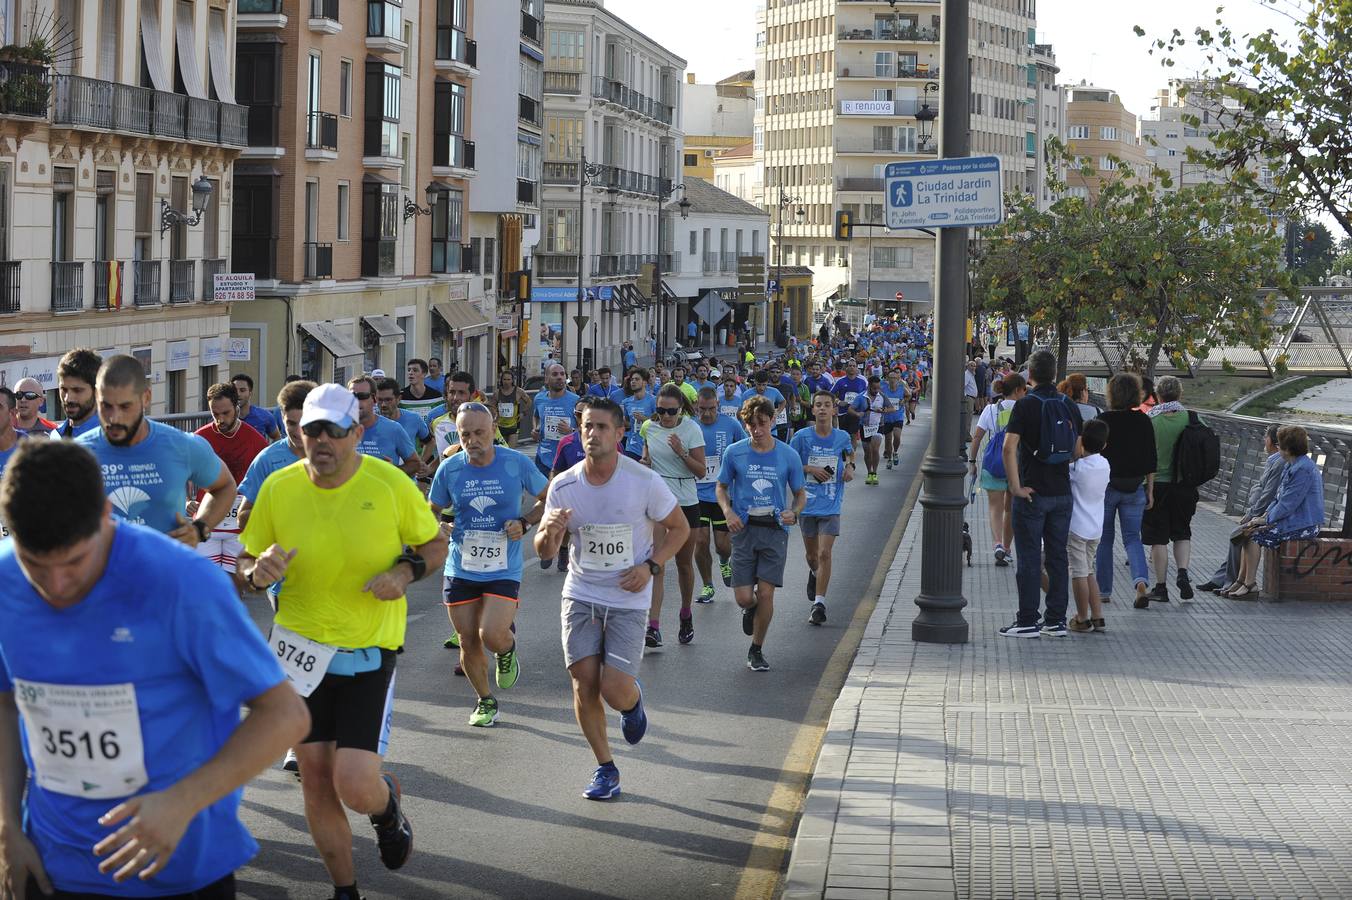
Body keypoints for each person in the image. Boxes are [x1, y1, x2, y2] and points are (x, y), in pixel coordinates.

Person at [0, 440, 309, 899]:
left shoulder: (181, 581)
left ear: (106, 514)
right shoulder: (4, 582)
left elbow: (285, 715)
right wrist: (6, 827)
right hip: (52, 866)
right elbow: (7, 704)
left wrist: (180, 803)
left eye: (74, 562)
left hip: (177, 870)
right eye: (35, 566)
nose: (56, 587)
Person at [238, 383, 446, 898]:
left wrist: (404, 572)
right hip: (300, 651)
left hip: (367, 650)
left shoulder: (389, 484)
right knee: (313, 777)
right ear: (300, 433)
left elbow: (434, 542)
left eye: (334, 430)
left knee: (352, 783)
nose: (323, 440)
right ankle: (344, 889)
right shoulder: (280, 488)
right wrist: (256, 573)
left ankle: (385, 808)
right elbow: (244, 563)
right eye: (313, 430)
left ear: (357, 431)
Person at [533, 396, 689, 799]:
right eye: (587, 426)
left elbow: (679, 529)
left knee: (613, 688)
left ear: (620, 434)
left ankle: (633, 703)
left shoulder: (642, 481)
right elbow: (545, 554)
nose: (592, 434)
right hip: (582, 591)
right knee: (583, 681)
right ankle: (606, 767)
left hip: (628, 595)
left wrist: (651, 567)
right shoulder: (565, 485)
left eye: (602, 427)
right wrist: (549, 532)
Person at [429, 403, 548, 726]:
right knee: (467, 639)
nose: (472, 440)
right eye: (465, 434)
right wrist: (439, 527)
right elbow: (433, 509)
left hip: (502, 565)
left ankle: (506, 650)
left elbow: (548, 496)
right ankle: (484, 700)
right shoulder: (450, 468)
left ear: (493, 429)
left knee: (492, 634)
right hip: (461, 564)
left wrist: (524, 522)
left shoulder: (516, 463)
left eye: (480, 433)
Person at [77, 355, 237, 545]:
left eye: (125, 406)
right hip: (103, 573)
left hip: (165, 572)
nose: (114, 418)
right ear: (96, 397)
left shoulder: (180, 445)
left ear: (146, 398)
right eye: (106, 406)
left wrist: (199, 529)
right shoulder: (78, 454)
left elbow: (225, 486)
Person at [716, 395, 807, 671]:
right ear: (744, 424)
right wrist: (728, 512)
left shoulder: (787, 454)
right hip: (743, 530)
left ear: (771, 422)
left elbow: (800, 493)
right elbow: (721, 487)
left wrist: (795, 511)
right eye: (751, 424)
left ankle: (756, 649)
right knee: (745, 597)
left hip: (774, 531)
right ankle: (750, 607)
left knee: (766, 594)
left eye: (762, 423)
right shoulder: (734, 452)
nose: (757, 430)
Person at [999, 350, 1083, 638]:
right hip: (1062, 493)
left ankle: (1026, 620)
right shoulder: (1069, 405)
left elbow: (1009, 448)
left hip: (1031, 492)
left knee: (1030, 557)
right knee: (1058, 557)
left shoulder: (1024, 406)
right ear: (1055, 375)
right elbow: (1076, 452)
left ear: (1029, 376)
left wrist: (1015, 486)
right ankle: (1056, 620)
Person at [639, 385, 705, 646]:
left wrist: (682, 452)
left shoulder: (691, 429)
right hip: (658, 503)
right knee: (657, 564)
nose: (665, 416)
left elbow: (700, 471)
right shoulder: (649, 428)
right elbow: (647, 458)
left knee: (684, 565)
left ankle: (686, 613)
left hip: (686, 502)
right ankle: (653, 626)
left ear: (680, 409)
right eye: (660, 411)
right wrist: (643, 464)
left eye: (671, 411)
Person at [1228, 425, 1325, 599]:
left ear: (1288, 448)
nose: (1277, 447)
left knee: (1255, 536)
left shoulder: (1303, 469)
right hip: (1291, 519)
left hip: (1305, 523)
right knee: (1247, 531)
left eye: (1280, 445)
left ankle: (1250, 585)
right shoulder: (1292, 465)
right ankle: (1241, 580)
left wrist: (1265, 521)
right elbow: (1278, 499)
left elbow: (1288, 504)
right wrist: (1263, 516)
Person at [790, 391, 855, 626]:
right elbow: (790, 462)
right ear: (813, 410)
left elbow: (849, 454)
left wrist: (850, 467)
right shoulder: (801, 437)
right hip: (806, 504)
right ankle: (814, 573)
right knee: (811, 556)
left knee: (824, 553)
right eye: (818, 405)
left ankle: (819, 603)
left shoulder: (842, 436)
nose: (823, 409)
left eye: (827, 405)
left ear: (834, 410)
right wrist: (810, 469)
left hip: (831, 503)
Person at [193, 382, 270, 575]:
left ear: (237, 407)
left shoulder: (256, 441)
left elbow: (265, 480)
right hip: (207, 522)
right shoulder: (199, 438)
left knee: (234, 589)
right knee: (206, 583)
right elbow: (182, 472)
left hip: (238, 528)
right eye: (215, 414)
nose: (220, 419)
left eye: (226, 413)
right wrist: (187, 499)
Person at [1095, 373, 1157, 607]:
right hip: (1134, 487)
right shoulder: (1143, 420)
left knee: (1104, 540)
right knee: (1133, 538)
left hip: (1107, 488)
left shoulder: (1104, 420)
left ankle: (1103, 591)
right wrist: (1150, 490)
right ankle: (1140, 583)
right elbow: (1151, 459)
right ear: (1136, 394)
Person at [1198, 424, 1283, 594]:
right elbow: (1260, 489)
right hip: (1263, 511)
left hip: (1269, 514)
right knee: (1238, 535)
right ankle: (1224, 580)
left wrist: (1252, 513)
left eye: (1265, 437)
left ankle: (1231, 582)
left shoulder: (1278, 463)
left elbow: (1266, 494)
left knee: (1239, 535)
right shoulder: (1273, 461)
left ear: (1273, 442)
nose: (1263, 441)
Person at [1141, 375, 1200, 605]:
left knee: (1158, 538)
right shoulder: (1193, 419)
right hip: (1185, 485)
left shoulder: (1151, 420)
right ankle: (1183, 572)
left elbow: (1147, 458)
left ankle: (1161, 587)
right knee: (1182, 532)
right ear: (1180, 394)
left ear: (1157, 395)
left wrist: (1149, 491)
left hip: (1158, 486)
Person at [970, 373, 1027, 567]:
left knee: (995, 507)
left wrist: (972, 461)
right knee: (1010, 509)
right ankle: (1008, 547)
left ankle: (997, 544)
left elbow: (977, 437)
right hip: (1016, 464)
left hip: (993, 462)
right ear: (1019, 390)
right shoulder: (1025, 409)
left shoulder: (991, 409)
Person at [692, 387, 743, 601]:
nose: (707, 414)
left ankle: (724, 561)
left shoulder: (732, 425)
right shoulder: (690, 426)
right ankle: (707, 585)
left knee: (723, 546)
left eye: (711, 409)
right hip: (696, 495)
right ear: (696, 407)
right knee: (701, 541)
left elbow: (743, 450)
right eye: (702, 409)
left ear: (718, 406)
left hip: (723, 494)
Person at [1067, 419, 1111, 633]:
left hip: (1076, 527)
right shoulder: (1105, 464)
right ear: (1104, 445)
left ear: (1081, 440)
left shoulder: (1076, 469)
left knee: (1078, 573)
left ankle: (1082, 618)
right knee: (1089, 570)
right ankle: (1098, 615)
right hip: (1096, 527)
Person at [349, 375, 420, 476]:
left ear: (374, 399)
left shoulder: (393, 429)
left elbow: (415, 464)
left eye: (362, 396)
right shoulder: (338, 429)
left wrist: (393, 471)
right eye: (352, 396)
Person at [849, 375, 892, 485]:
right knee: (867, 451)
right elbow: (850, 409)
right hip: (865, 426)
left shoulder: (882, 396)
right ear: (869, 386)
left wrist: (883, 410)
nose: (876, 390)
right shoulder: (860, 397)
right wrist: (857, 414)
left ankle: (875, 473)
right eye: (874, 388)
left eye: (878, 388)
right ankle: (869, 473)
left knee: (875, 448)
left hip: (878, 426)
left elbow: (892, 408)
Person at [50, 348, 102, 439]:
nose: (68, 398)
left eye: (77, 390)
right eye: (64, 389)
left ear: (97, 391)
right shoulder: (56, 436)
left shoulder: (110, 439)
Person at [376, 376, 430, 451]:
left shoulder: (414, 419)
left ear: (398, 399)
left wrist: (420, 462)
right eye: (380, 400)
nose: (383, 405)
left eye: (388, 400)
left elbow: (430, 442)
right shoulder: (370, 421)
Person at [231, 373, 282, 441]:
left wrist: (269, 451)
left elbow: (277, 437)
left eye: (242, 390)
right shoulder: (224, 417)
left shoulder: (264, 416)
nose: (238, 394)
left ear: (250, 393)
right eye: (234, 390)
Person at [494, 370, 533, 447]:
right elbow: (492, 406)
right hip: (500, 426)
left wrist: (523, 413)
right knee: (503, 450)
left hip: (513, 427)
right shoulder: (497, 393)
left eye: (509, 379)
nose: (506, 382)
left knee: (510, 451)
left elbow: (529, 401)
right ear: (501, 380)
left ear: (512, 380)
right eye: (504, 379)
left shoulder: (518, 391)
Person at [879, 368, 908, 469]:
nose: (892, 380)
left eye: (894, 378)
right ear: (887, 378)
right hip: (887, 418)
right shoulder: (883, 388)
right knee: (887, 441)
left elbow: (909, 395)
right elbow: (878, 398)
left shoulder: (902, 388)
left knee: (897, 435)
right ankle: (890, 459)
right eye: (890, 378)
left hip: (898, 416)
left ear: (898, 378)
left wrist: (903, 401)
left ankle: (895, 452)